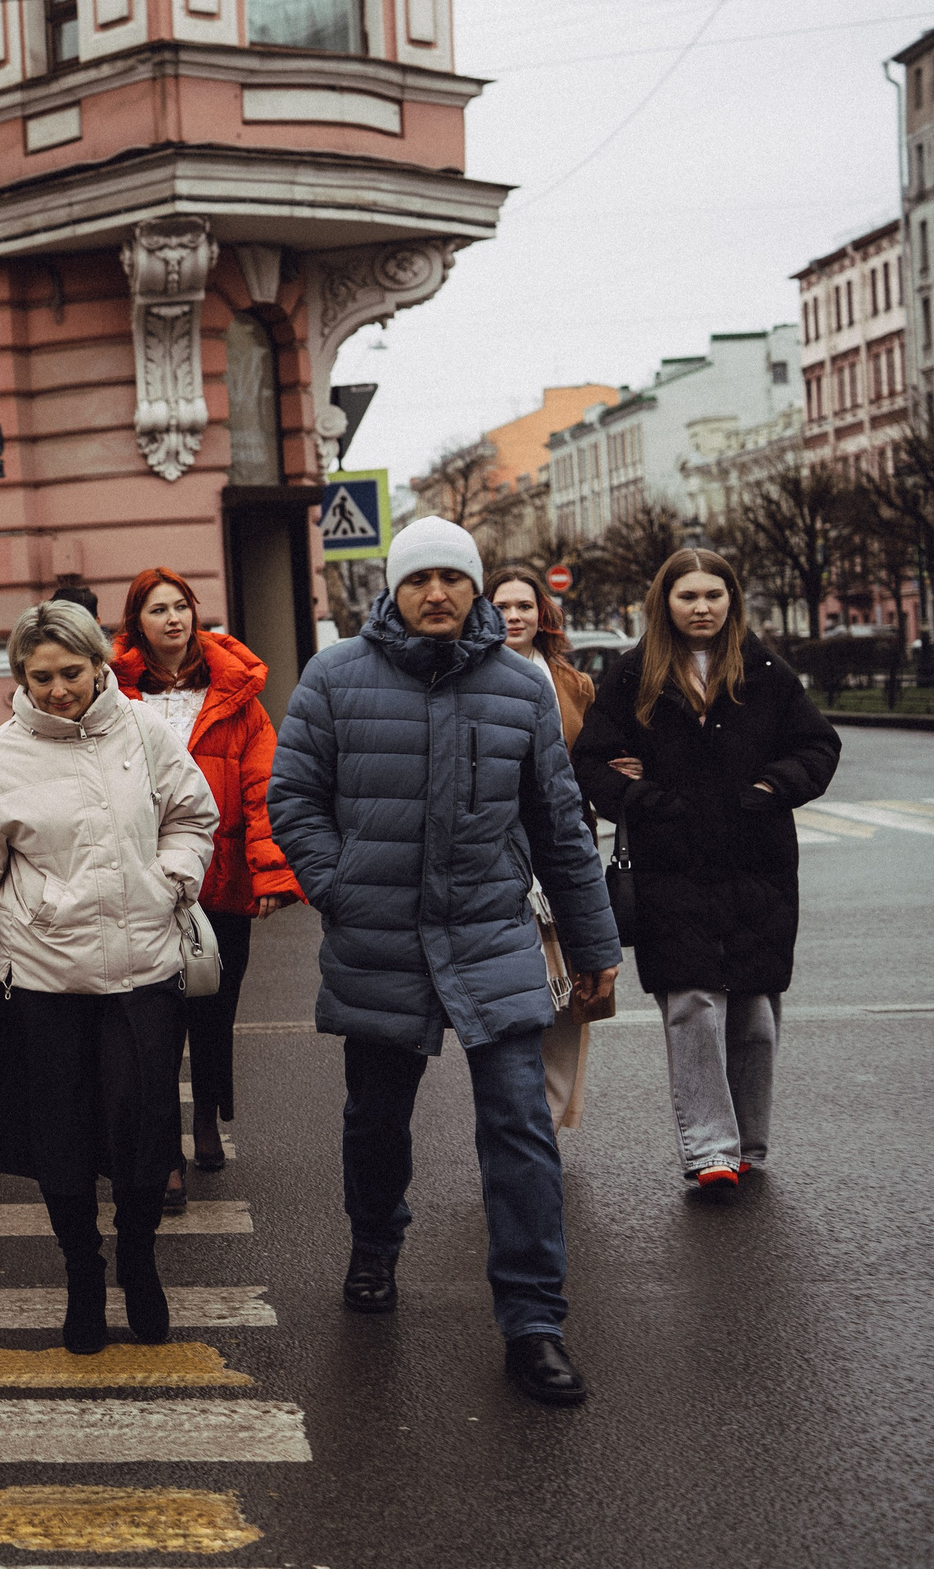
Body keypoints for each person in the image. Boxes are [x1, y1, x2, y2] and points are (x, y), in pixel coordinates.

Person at [268, 516, 619, 1409]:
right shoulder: (335, 675)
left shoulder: (518, 686)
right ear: (394, 587)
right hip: (379, 935)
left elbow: (558, 827)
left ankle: (535, 1323)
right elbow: (294, 795)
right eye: (419, 577)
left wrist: (593, 947)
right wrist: (337, 884)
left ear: (474, 590)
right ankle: (375, 1243)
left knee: (518, 1125)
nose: (436, 593)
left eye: (451, 579)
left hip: (489, 932)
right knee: (377, 1118)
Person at [0, 600, 217, 1357]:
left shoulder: (145, 732)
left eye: (71, 671)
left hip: (144, 972)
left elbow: (192, 815)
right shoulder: (5, 756)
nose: (58, 689)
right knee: (63, 1146)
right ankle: (82, 1272)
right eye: (39, 677)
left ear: (99, 662)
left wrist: (173, 874)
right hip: (45, 979)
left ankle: (138, 1258)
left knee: (143, 1138)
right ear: (20, 680)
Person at [571, 549, 839, 1198]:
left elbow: (819, 746)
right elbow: (592, 760)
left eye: (713, 594)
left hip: (758, 863)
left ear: (731, 599)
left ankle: (746, 1143)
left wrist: (773, 786)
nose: (701, 607)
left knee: (752, 1011)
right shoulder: (635, 672)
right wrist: (639, 799)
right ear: (665, 601)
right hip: (673, 865)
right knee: (691, 1002)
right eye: (687, 595)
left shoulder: (765, 670)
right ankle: (709, 1149)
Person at [109, 569, 301, 1214]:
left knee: (213, 1016)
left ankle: (207, 1120)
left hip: (219, 882)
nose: (173, 619)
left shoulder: (236, 695)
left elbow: (262, 786)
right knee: (151, 1025)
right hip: (143, 881)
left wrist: (272, 871)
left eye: (181, 607)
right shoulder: (114, 693)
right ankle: (164, 1152)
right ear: (137, 623)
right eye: (157, 610)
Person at [486, 565, 605, 1132]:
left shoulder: (572, 682)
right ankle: (520, 1121)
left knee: (571, 996)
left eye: (524, 606)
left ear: (542, 615)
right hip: (501, 859)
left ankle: (551, 1120)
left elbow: (596, 760)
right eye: (503, 606)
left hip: (560, 852)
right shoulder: (471, 676)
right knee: (518, 992)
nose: (514, 616)